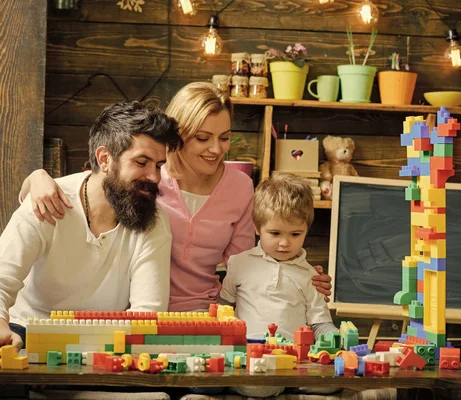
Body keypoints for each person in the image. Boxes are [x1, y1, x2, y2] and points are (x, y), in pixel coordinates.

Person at [20, 82, 332, 313]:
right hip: (136, 308)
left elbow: (247, 266)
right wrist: (36, 177)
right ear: (178, 135)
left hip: (207, 311)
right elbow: (93, 187)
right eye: (202, 137)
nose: (216, 149)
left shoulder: (240, 187)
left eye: (224, 138)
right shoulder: (147, 177)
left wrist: (299, 273)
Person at [1, 101, 182, 350]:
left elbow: (146, 314)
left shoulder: (154, 220)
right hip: (30, 329)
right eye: (142, 162)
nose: (155, 177)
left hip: (108, 339)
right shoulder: (46, 200)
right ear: (105, 158)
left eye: (159, 166)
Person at [220, 172, 338, 398]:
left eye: (295, 234)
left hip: (297, 360)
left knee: (331, 383)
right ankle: (258, 383)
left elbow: (320, 323)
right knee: (261, 386)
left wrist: (339, 340)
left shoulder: (310, 275)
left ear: (306, 230)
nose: (285, 243)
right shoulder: (239, 264)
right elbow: (223, 308)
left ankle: (289, 382)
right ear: (257, 228)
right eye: (275, 233)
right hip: (252, 358)